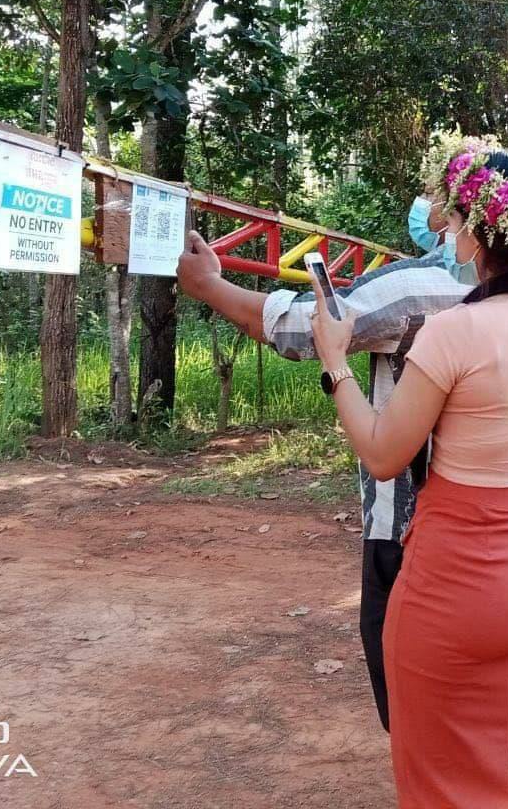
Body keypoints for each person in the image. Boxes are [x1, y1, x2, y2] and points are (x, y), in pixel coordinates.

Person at [309, 146, 508, 809]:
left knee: (442, 781)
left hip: (452, 590)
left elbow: (384, 454)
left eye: (453, 218)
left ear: (474, 232)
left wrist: (335, 362)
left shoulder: (453, 332)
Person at [176, 183, 473, 732]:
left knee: (409, 699)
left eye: (442, 206)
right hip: (502, 537)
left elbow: (305, 328)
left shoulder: (418, 290)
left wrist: (210, 286)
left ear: (464, 218)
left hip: (407, 527)